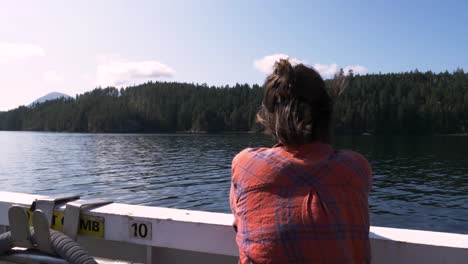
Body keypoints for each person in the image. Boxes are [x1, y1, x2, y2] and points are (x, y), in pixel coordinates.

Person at [230, 59, 372, 263]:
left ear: (271, 115)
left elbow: (241, 218)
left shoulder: (245, 164)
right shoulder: (356, 167)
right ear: (326, 114)